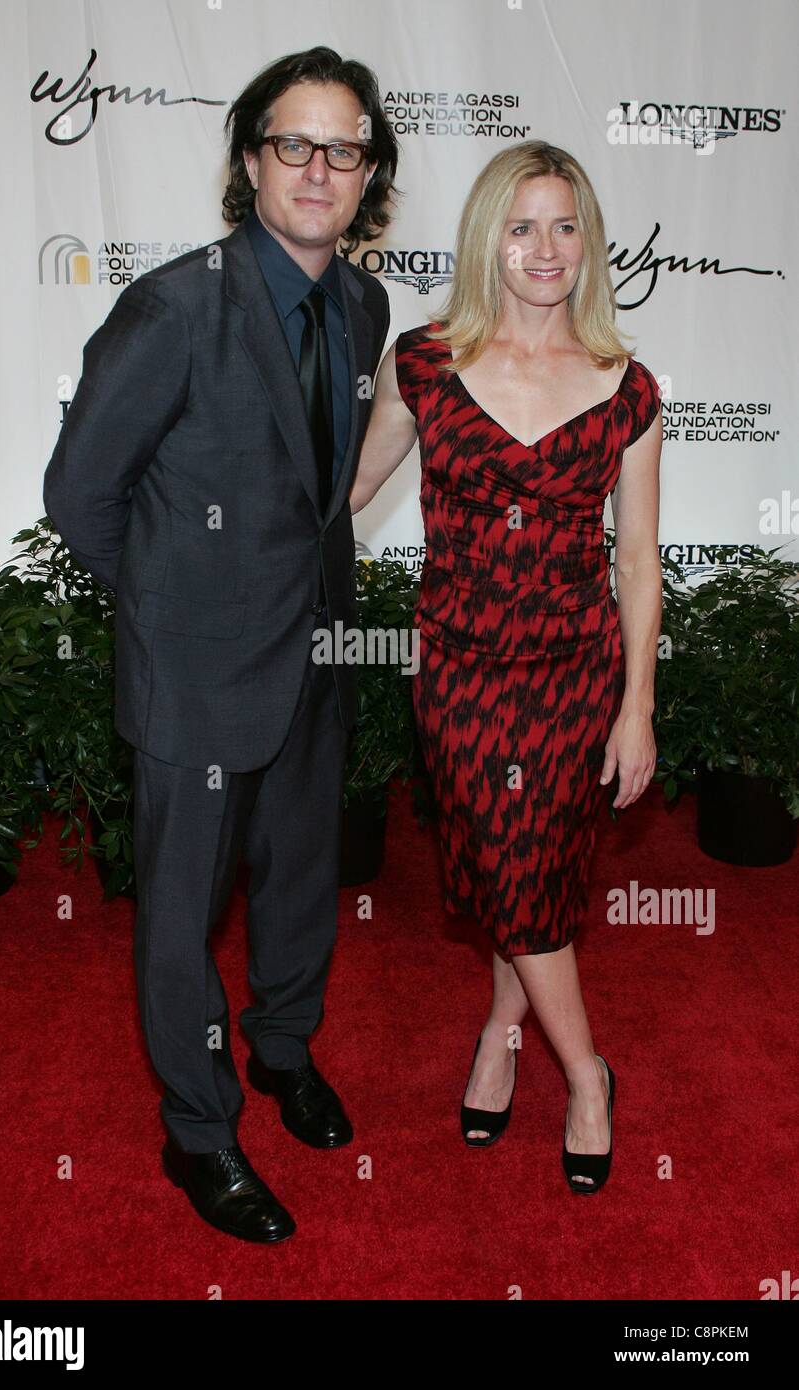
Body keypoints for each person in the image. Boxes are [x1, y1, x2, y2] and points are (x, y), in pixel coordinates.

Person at [43, 46, 398, 1241]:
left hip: (316, 659)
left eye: (341, 148)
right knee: (183, 911)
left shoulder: (362, 303)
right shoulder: (176, 304)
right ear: (250, 162)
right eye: (292, 143)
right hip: (196, 674)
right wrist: (175, 616)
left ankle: (282, 1053)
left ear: (365, 176)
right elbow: (81, 492)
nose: (316, 167)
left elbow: (319, 488)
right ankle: (198, 1131)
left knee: (300, 880)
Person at [350, 140, 662, 1194]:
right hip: (460, 672)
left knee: (533, 871)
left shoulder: (626, 388)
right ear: (488, 236)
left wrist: (637, 709)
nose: (543, 248)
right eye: (521, 225)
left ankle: (510, 1036)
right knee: (504, 864)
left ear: (588, 243)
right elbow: (340, 497)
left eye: (564, 225)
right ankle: (585, 1068)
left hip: (576, 671)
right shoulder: (424, 364)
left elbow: (634, 557)